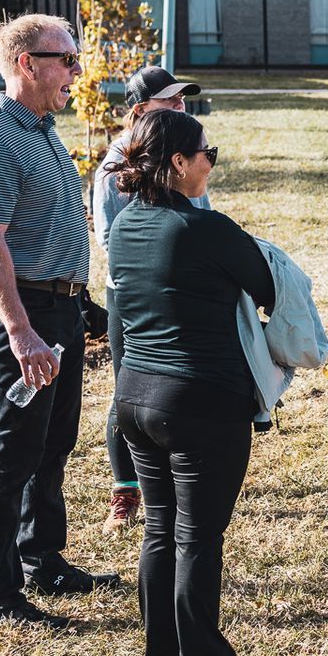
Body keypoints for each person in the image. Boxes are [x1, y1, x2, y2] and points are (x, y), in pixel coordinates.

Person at [106, 108, 273, 656]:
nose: (211, 161)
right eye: (207, 152)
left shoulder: (124, 225)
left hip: (135, 398)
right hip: (202, 400)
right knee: (198, 538)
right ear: (178, 163)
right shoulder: (206, 228)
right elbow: (269, 285)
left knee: (160, 530)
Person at [0, 14, 120, 630]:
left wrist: (80, 308)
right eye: (67, 60)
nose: (77, 72)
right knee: (14, 450)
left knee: (53, 443)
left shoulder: (44, 131)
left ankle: (42, 559)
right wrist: (20, 332)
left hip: (60, 306)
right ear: (26, 64)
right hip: (22, 310)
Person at [92, 66, 204, 533]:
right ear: (139, 111)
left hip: (184, 289)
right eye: (170, 102)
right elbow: (112, 241)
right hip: (133, 298)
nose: (181, 108)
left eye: (182, 101)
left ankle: (174, 475)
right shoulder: (116, 167)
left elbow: (202, 215)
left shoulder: (182, 154)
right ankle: (125, 489)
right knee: (129, 390)